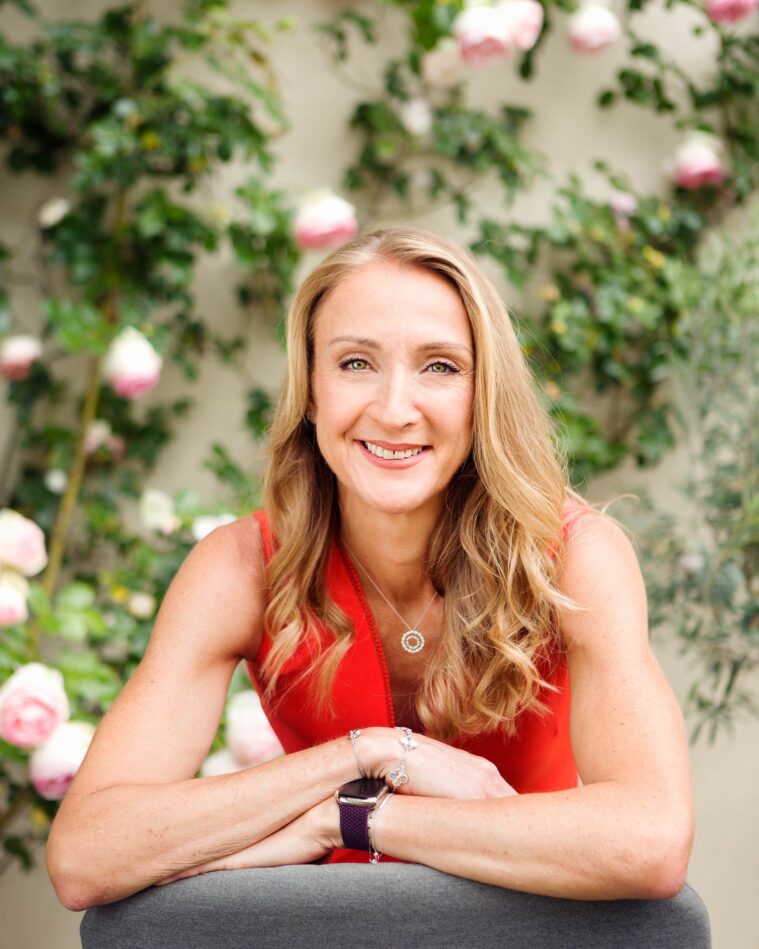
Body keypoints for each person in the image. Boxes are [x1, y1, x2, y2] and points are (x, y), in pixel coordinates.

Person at [47, 227, 695, 913]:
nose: (392, 409)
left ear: (483, 397)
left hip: (535, 925)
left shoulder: (576, 555)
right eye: (355, 362)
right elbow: (86, 856)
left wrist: (354, 816)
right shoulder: (238, 568)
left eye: (439, 366)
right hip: (340, 927)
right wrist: (368, 754)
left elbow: (648, 841)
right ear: (310, 390)